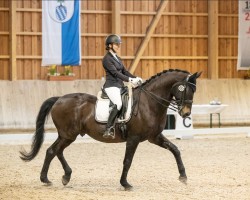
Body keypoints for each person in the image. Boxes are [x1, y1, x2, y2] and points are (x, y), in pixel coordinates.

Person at [102, 34, 142, 139]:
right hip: (111, 86)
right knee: (118, 103)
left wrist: (136, 78)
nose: (118, 46)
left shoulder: (117, 58)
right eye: (116, 44)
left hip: (119, 85)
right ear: (110, 45)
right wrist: (130, 80)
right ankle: (108, 128)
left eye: (119, 44)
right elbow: (115, 73)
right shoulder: (107, 59)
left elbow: (125, 71)